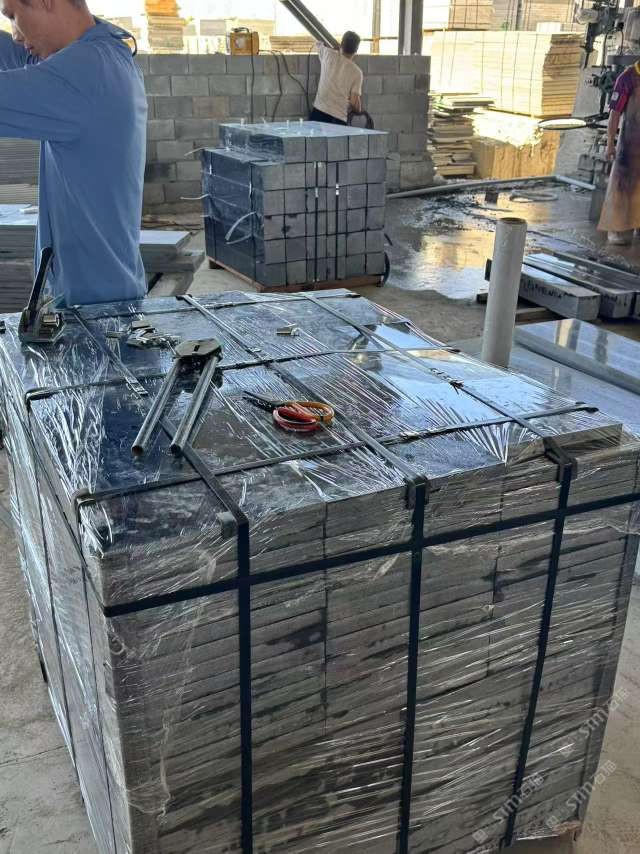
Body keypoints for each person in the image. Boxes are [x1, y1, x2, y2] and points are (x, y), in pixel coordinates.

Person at [0, 0, 147, 306]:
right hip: (98, 291)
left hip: (94, 306)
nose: (14, 33)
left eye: (13, 15)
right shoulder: (102, 54)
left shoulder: (85, 73)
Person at [598, 61, 640, 245]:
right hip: (630, 147)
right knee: (623, 188)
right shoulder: (627, 78)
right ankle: (618, 229)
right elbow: (614, 114)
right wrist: (610, 143)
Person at [309, 31, 363, 126]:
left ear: (341, 44)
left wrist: (334, 48)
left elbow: (318, 44)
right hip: (338, 119)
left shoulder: (327, 54)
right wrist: (359, 109)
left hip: (318, 113)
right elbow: (354, 101)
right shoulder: (357, 72)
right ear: (356, 49)